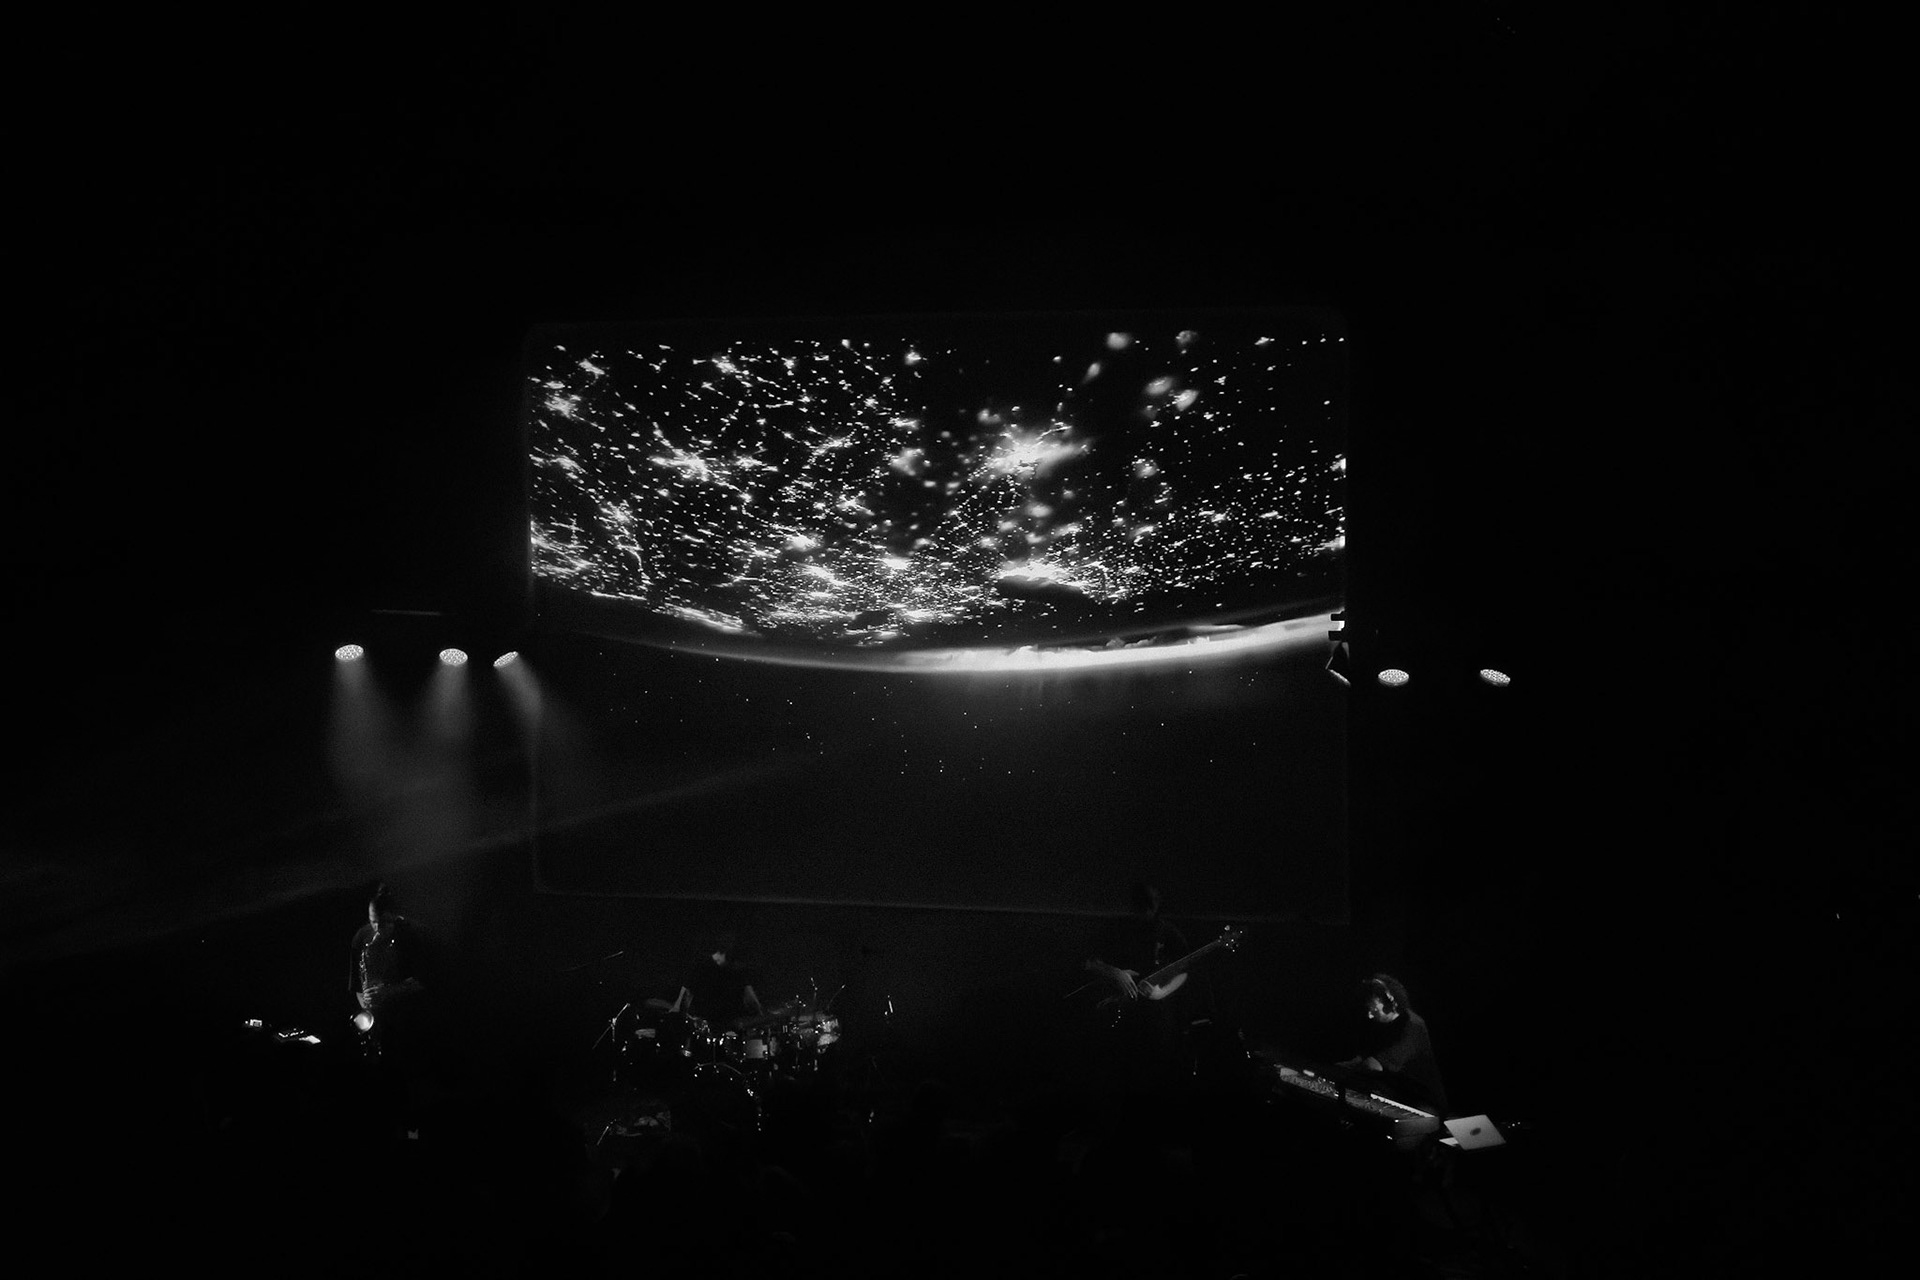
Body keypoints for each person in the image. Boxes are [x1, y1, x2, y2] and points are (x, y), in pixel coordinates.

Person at [1080, 883, 1202, 1098]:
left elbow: (1184, 971)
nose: (1145, 910)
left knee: (1153, 1076)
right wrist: (1114, 972)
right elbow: (1090, 961)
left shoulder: (1168, 931)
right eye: (1141, 904)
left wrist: (1162, 993)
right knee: (1117, 1075)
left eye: (1150, 904)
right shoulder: (1117, 929)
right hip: (1118, 1017)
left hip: (1157, 1021)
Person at [1335, 973, 1448, 1114]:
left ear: (1390, 1004)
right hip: (1396, 1095)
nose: (1369, 1015)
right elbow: (1364, 1058)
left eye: (1374, 1009)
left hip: (1424, 1103)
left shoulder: (1413, 1026)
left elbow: (1375, 1066)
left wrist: (1347, 1073)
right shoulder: (1380, 1024)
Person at [671, 932, 765, 1031]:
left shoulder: (706, 966)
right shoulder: (731, 970)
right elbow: (750, 996)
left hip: (711, 1022)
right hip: (720, 1022)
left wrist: (678, 1008)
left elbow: (687, 990)